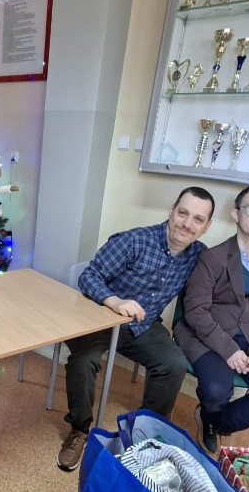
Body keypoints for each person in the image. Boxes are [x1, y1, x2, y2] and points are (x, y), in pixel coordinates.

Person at [57, 187, 215, 472]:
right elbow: (89, 276)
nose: (187, 224)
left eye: (198, 219)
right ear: (171, 211)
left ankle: (148, 436)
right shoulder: (134, 241)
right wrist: (115, 301)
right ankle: (79, 429)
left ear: (206, 226)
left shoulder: (199, 256)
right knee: (84, 361)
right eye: (183, 213)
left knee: (174, 364)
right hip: (102, 317)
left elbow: (229, 276)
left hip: (143, 325)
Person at [174, 184, 249, 454]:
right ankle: (212, 414)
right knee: (217, 389)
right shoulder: (211, 257)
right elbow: (195, 310)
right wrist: (228, 350)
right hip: (207, 333)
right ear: (236, 213)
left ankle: (214, 422)